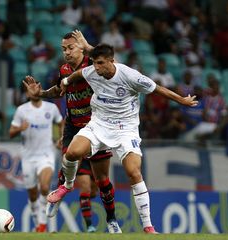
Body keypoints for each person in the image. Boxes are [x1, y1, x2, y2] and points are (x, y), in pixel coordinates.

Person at [24, 43, 198, 234]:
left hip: (126, 130)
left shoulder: (129, 75)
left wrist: (182, 100)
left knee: (133, 172)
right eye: (93, 63)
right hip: (99, 125)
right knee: (72, 152)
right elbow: (75, 76)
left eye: (100, 63)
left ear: (111, 61)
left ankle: (148, 226)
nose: (96, 68)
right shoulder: (91, 71)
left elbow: (157, 89)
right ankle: (66, 186)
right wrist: (64, 83)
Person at [26, 31, 121, 233]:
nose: (66, 52)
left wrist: (90, 48)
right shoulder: (64, 69)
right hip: (73, 125)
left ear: (81, 47)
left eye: (70, 48)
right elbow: (59, 91)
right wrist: (40, 94)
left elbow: (115, 67)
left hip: (96, 127)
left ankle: (112, 220)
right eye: (63, 49)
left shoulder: (95, 65)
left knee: (103, 181)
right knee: (67, 161)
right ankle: (59, 195)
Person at [9, 85, 64, 232]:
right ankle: (36, 220)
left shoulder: (51, 108)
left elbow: (61, 122)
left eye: (37, 88)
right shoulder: (22, 110)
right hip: (28, 157)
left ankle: (42, 223)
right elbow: (11, 132)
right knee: (32, 194)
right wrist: (20, 128)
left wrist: (61, 138)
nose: (34, 91)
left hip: (46, 154)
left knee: (45, 187)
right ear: (27, 93)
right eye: (30, 89)